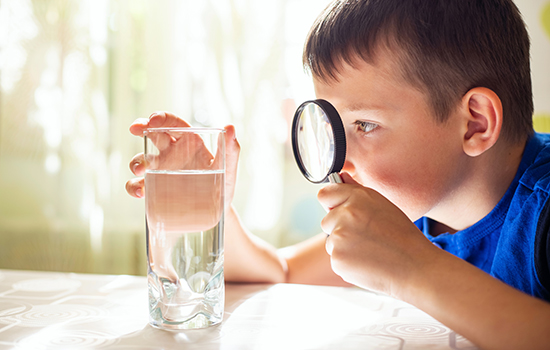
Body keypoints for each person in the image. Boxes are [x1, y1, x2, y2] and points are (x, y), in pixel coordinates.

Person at [126, 0, 550, 348]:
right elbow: (282, 273)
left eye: (365, 125)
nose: (338, 163)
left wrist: (413, 267)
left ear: (475, 123)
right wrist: (213, 218)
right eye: (332, 130)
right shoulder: (416, 203)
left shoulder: (542, 207)